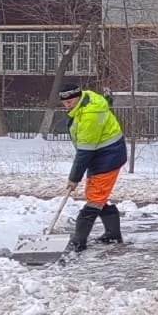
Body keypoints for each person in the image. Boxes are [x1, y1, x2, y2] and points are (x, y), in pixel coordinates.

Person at [60, 85, 128, 252]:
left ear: (78, 97)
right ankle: (112, 234)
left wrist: (74, 178)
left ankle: (78, 241)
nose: (67, 105)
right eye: (65, 103)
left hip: (108, 157)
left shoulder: (90, 115)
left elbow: (85, 151)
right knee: (98, 194)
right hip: (101, 155)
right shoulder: (86, 101)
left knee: (95, 198)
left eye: (70, 101)